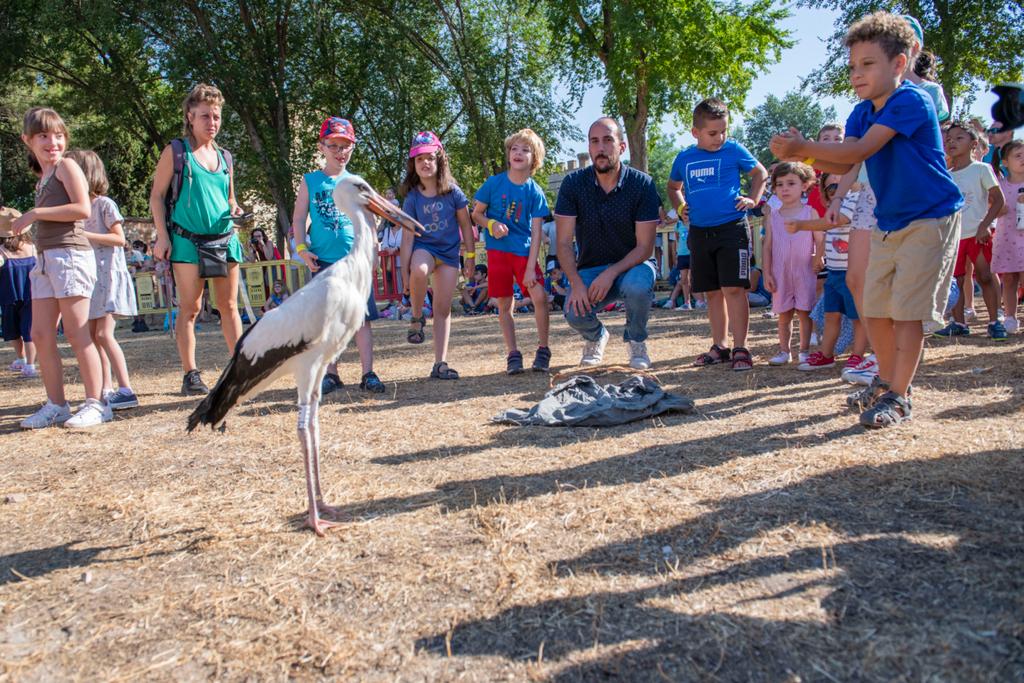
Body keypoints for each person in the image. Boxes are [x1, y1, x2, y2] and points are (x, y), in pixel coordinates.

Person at [770, 10, 964, 428]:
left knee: (907, 311)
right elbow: (841, 164)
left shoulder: (911, 101)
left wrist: (802, 148)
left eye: (868, 64)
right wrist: (797, 154)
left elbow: (858, 152)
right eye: (853, 66)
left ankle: (898, 395)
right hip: (889, 221)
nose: (857, 74)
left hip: (930, 219)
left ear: (899, 64)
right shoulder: (860, 113)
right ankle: (886, 379)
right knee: (874, 306)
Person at [14, 107, 109, 429]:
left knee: (77, 331)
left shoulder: (66, 166)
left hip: (70, 256)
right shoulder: (42, 179)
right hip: (45, 259)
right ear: (27, 140)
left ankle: (97, 403)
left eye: (58, 135)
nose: (52, 142)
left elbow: (83, 208)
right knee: (39, 334)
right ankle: (57, 404)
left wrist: (35, 215)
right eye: (43, 135)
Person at [150, 84, 245, 395]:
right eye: (205, 115)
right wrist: (162, 237)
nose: (212, 122)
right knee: (190, 308)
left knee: (229, 306)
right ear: (190, 116)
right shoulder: (176, 152)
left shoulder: (225, 157)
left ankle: (239, 369)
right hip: (187, 241)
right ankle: (191, 373)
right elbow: (157, 196)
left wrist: (236, 209)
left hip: (224, 239)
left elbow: (230, 200)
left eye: (216, 116)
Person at [667, 98, 768, 371]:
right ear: (695, 132)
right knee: (712, 292)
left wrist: (753, 200)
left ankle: (741, 348)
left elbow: (760, 173)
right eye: (713, 133)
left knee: (734, 289)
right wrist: (681, 207)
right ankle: (720, 346)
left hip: (732, 228)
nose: (719, 137)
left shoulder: (733, 150)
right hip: (699, 232)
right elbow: (673, 186)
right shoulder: (685, 158)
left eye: (723, 131)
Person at [553, 117, 662, 370]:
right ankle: (596, 336)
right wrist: (576, 283)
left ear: (621, 147)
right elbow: (563, 243)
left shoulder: (642, 184)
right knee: (573, 310)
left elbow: (645, 247)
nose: (600, 148)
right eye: (594, 141)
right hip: (591, 268)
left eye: (607, 140)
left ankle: (636, 342)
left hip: (634, 265)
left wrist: (611, 273)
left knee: (637, 286)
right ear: (589, 148)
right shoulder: (573, 184)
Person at [291, 116, 386, 394]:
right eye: (333, 145)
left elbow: (370, 220)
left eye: (345, 146)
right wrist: (301, 248)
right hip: (323, 262)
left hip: (355, 260)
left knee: (362, 319)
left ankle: (368, 373)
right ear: (322, 147)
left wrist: (374, 252)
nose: (339, 152)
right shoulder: (310, 181)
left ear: (352, 148)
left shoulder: (357, 182)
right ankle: (331, 374)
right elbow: (298, 219)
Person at [471, 128, 552, 374]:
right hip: (497, 253)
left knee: (539, 297)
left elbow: (537, 232)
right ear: (508, 154)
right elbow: (476, 214)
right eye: (514, 148)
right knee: (504, 303)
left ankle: (543, 349)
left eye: (525, 150)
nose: (518, 153)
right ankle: (513, 354)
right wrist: (491, 224)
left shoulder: (534, 191)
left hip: (523, 253)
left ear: (534, 158)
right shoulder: (493, 183)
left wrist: (530, 267)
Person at [399, 131, 476, 379]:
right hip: (425, 248)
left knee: (443, 309)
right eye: (419, 159)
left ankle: (440, 363)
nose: (425, 163)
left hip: (449, 254)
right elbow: (408, 237)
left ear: (439, 160)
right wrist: (404, 272)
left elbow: (466, 224)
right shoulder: (412, 198)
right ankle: (417, 316)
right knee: (419, 271)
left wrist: (471, 256)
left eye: (430, 158)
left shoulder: (453, 192)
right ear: (414, 164)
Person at [66, 150, 139, 410]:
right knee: (93, 336)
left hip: (108, 276)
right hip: (91, 280)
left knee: (104, 334)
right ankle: (105, 387)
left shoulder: (105, 204)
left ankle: (126, 388)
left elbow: (119, 239)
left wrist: (86, 235)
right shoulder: (78, 209)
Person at [785, 173, 870, 373]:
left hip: (852, 273)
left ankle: (857, 355)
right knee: (830, 315)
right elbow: (828, 235)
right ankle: (826, 354)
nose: (836, 191)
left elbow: (836, 222)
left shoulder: (854, 200)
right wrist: (819, 256)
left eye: (839, 185)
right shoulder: (832, 210)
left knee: (859, 317)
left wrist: (802, 225)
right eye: (830, 188)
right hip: (834, 273)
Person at [933, 122, 1005, 339]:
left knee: (984, 275)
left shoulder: (982, 169)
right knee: (956, 280)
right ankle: (959, 323)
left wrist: (985, 225)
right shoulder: (946, 175)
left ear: (974, 144)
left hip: (978, 234)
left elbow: (999, 199)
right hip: (953, 237)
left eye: (958, 138)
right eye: (948, 140)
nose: (952, 142)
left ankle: (994, 321)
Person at [761, 162, 822, 366]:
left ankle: (803, 351)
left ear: (804, 186)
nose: (784, 188)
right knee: (784, 313)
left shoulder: (810, 212)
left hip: (805, 270)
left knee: (805, 312)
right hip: (780, 272)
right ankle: (784, 351)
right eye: (779, 184)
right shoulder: (773, 216)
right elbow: (767, 246)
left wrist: (818, 257)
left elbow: (820, 240)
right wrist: (767, 273)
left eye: (791, 183)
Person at [0, 205, 38, 378]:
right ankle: (29, 363)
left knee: (13, 330)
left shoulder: (2, 251)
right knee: (29, 330)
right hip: (32, 295)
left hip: (9, 295)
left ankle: (23, 359)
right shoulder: (32, 247)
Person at [991, 139, 1024, 333]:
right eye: (1017, 156)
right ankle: (1010, 316)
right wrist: (998, 208)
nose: (1022, 159)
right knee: (1009, 279)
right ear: (1005, 162)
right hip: (1006, 239)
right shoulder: (1000, 186)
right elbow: (992, 209)